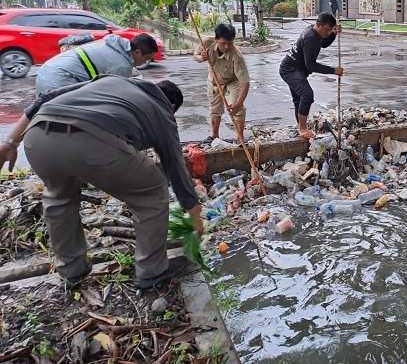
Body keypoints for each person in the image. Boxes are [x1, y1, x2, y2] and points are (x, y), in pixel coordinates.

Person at [0, 75, 204, 289]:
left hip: (37, 135)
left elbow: (46, 98)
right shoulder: (162, 111)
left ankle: (71, 271)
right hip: (89, 139)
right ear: (171, 106)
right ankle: (152, 271)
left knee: (60, 197)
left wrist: (10, 141)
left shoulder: (112, 81)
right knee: (152, 191)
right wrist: (195, 218)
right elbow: (175, 166)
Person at [279, 12, 343, 139]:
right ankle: (302, 128)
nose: (328, 33)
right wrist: (332, 70)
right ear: (319, 25)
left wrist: (334, 34)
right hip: (290, 69)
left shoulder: (315, 33)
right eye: (327, 30)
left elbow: (323, 43)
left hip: (296, 69)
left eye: (330, 30)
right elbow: (311, 65)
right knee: (307, 95)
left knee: (299, 98)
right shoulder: (310, 37)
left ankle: (300, 127)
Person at [35, 33, 159, 97]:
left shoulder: (112, 44)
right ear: (137, 52)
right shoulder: (122, 66)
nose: (145, 62)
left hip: (46, 71)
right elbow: (116, 96)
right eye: (146, 58)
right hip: (59, 79)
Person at [194, 24, 250, 141]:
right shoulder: (207, 43)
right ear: (216, 39)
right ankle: (214, 135)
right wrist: (201, 58)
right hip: (214, 80)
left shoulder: (237, 56)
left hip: (233, 80)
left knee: (237, 107)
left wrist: (238, 104)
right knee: (215, 108)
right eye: (223, 43)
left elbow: (245, 82)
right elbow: (196, 55)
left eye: (229, 43)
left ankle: (240, 136)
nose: (226, 47)